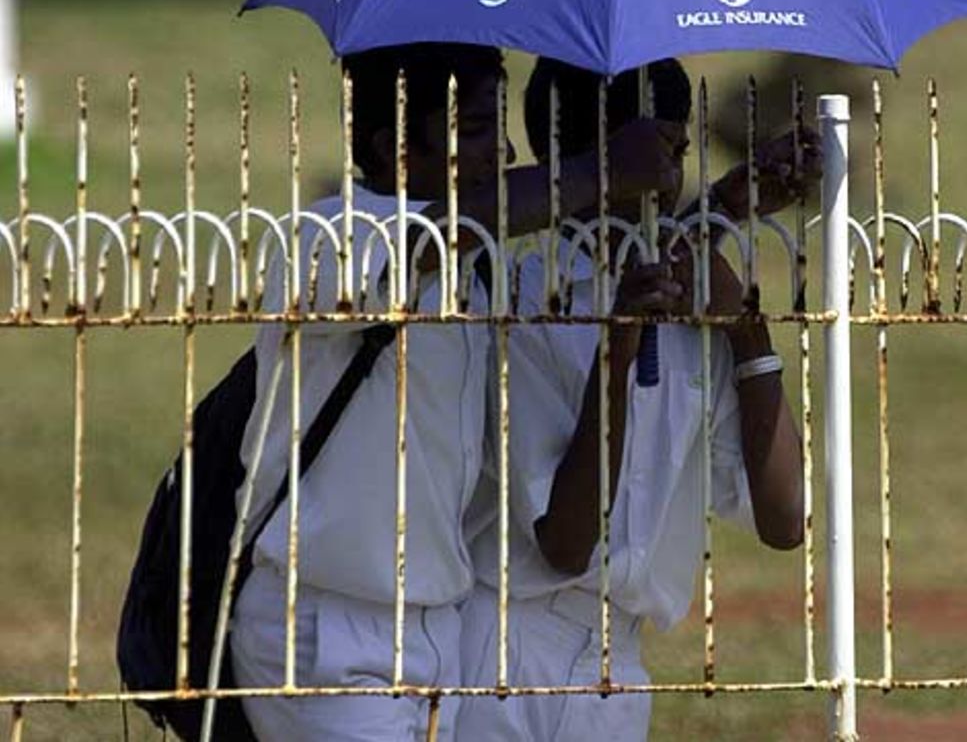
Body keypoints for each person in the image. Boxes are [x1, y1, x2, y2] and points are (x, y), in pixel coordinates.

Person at [229, 43, 685, 741]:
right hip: (327, 625)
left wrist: (728, 202)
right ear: (392, 148)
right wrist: (598, 171)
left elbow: (538, 239)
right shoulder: (331, 235)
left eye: (497, 129)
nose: (499, 154)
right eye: (474, 132)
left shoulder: (477, 265)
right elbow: (427, 241)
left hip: (436, 633)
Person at [458, 57, 813, 741]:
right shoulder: (520, 299)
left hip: (618, 665)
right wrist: (618, 345)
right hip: (503, 653)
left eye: (678, 153)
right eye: (654, 155)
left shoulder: (690, 306)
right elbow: (566, 543)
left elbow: (786, 520)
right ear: (597, 161)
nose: (671, 179)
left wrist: (746, 331)